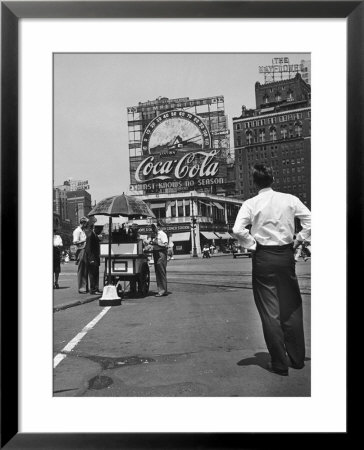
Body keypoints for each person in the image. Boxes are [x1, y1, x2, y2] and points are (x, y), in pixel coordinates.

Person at [233, 164, 311, 376]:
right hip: (286, 256)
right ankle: (296, 359)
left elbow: (237, 229)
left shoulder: (250, 203)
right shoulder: (290, 199)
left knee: (269, 311)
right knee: (292, 306)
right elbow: (311, 220)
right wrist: (299, 239)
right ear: (272, 179)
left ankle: (279, 362)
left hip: (263, 258)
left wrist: (252, 244)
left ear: (255, 183)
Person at [151, 222, 168, 297]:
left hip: (161, 253)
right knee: (158, 272)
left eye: (154, 227)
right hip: (156, 253)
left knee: (161, 272)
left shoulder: (162, 234)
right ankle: (160, 290)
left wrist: (157, 244)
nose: (153, 229)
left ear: (158, 227)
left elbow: (165, 245)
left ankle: (163, 291)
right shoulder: (156, 235)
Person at [85, 222, 102, 295]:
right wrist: (91, 259)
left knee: (96, 273)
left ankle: (96, 288)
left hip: (95, 258)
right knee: (92, 274)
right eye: (100, 229)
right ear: (96, 228)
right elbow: (88, 248)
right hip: (92, 258)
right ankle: (93, 289)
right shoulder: (90, 235)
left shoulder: (94, 235)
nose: (101, 231)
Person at [73, 216, 89, 294]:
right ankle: (81, 288)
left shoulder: (83, 231)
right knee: (81, 270)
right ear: (83, 223)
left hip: (85, 250)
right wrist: (84, 241)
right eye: (86, 223)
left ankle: (85, 287)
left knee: (85, 270)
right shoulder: (77, 231)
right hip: (80, 250)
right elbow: (75, 242)